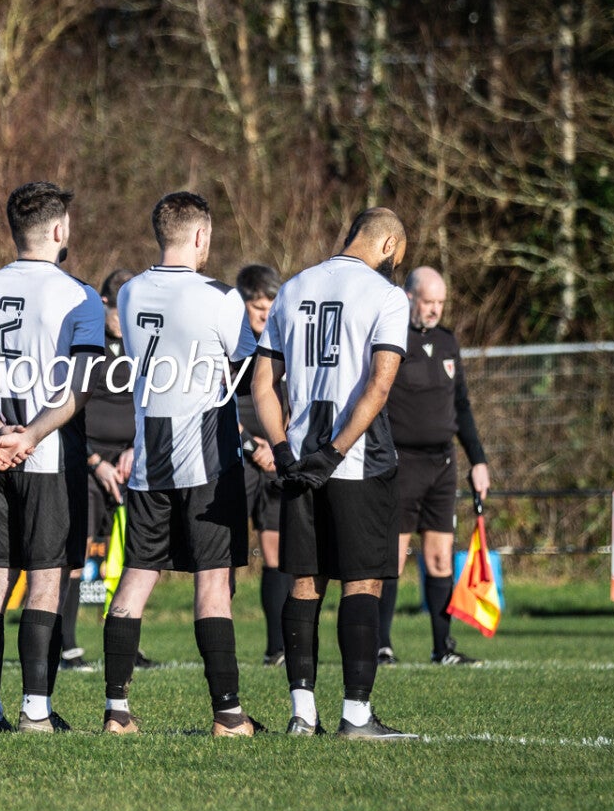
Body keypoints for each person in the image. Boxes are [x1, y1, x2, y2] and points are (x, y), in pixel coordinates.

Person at [98, 192, 262, 738]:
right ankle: (229, 715)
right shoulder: (221, 297)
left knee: (136, 578)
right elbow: (248, 375)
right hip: (207, 462)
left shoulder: (130, 292)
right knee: (213, 585)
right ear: (200, 236)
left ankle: (117, 711)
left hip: (149, 462)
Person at [252, 206, 417, 740]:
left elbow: (262, 385)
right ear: (388, 245)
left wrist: (283, 449)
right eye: (399, 255)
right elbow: (379, 385)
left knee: (305, 581)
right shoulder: (388, 295)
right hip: (356, 461)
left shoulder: (293, 287)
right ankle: (356, 716)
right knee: (362, 580)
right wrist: (336, 452)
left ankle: (303, 715)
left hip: (299, 460)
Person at [0, 182, 105, 733]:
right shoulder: (79, 295)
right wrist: (31, 435)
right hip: (47, 456)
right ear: (60, 229)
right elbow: (80, 388)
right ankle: (35, 711)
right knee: (45, 581)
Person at [383, 266, 490, 665]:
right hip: (401, 464)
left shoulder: (447, 341)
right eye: (428, 301)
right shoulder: (392, 338)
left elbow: (461, 405)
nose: (435, 309)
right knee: (392, 559)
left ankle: (442, 647)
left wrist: (478, 460)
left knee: (441, 559)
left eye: (440, 303)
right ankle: (381, 645)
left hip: (442, 465)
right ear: (409, 296)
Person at [78, 269, 157, 673]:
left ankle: (125, 645)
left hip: (132, 465)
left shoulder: (144, 347)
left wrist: (134, 449)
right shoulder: (87, 344)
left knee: (131, 558)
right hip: (86, 463)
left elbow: (152, 404)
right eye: (118, 312)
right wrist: (95, 461)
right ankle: (65, 647)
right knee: (74, 555)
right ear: (105, 303)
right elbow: (66, 409)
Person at [233, 264, 289, 665]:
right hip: (237, 457)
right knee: (226, 554)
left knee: (276, 550)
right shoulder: (229, 344)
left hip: (275, 457)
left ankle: (277, 648)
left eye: (271, 307)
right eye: (258, 308)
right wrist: (252, 445)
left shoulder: (283, 341)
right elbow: (216, 401)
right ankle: (221, 648)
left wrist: (279, 444)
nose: (265, 315)